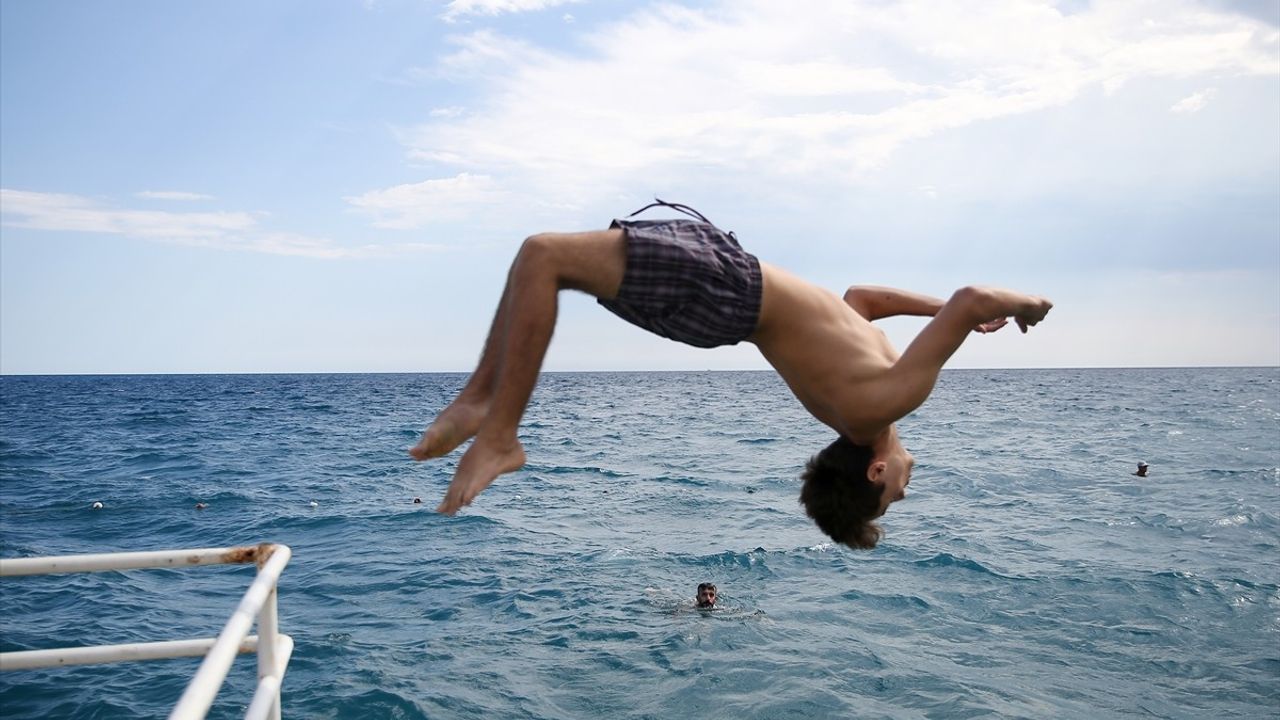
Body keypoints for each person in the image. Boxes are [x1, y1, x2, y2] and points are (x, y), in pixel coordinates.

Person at [410, 201, 1052, 549]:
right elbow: (860, 299)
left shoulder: (885, 403)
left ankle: (499, 432)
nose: (907, 489)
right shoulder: (870, 395)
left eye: (893, 497)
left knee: (544, 256)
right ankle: (481, 404)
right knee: (540, 258)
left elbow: (974, 297)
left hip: (726, 292)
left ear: (875, 473)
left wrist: (1022, 306)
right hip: (728, 284)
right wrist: (947, 311)